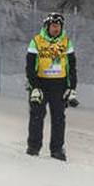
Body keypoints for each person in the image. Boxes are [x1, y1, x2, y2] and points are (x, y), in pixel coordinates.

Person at [25, 12, 78, 160]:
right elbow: (30, 67)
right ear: (47, 26)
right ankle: (33, 147)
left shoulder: (66, 43)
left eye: (58, 26)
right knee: (37, 114)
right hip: (40, 82)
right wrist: (34, 86)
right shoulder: (36, 41)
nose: (56, 29)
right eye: (53, 26)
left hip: (59, 84)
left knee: (59, 117)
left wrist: (72, 88)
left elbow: (71, 67)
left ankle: (57, 149)